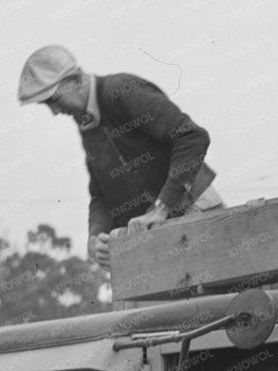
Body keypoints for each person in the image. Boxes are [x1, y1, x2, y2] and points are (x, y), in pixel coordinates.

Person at [17, 46, 225, 268]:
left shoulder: (122, 90)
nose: (55, 111)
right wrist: (95, 236)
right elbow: (100, 194)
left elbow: (191, 137)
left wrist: (161, 208)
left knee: (221, 296)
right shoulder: (87, 123)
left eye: (53, 100)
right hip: (151, 234)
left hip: (193, 211)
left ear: (73, 81)